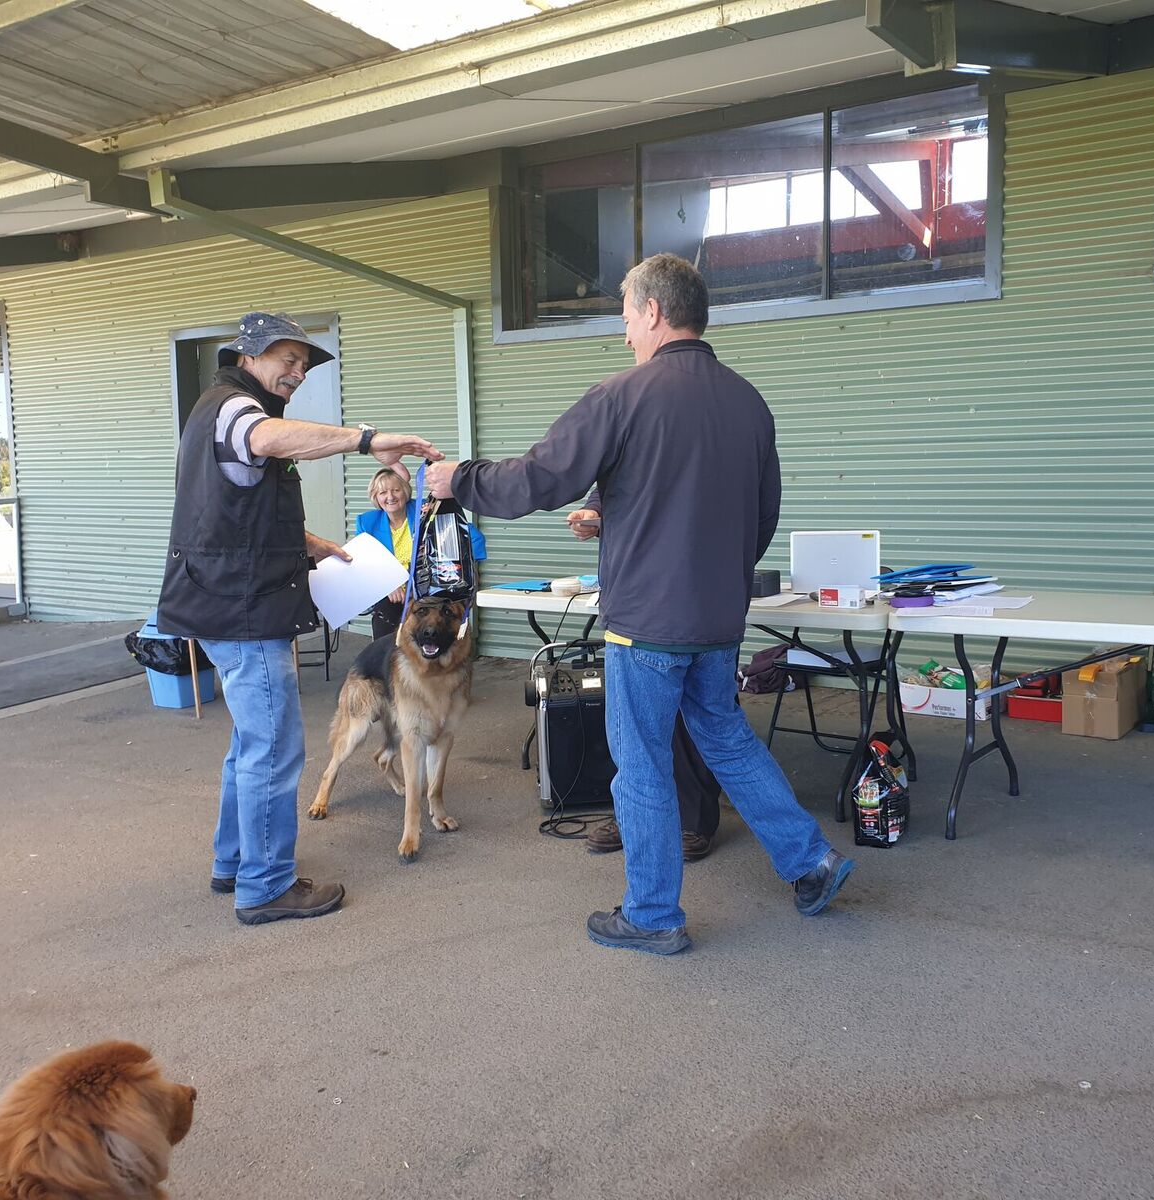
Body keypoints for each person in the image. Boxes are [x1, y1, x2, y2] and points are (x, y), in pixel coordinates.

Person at [425, 254, 853, 956]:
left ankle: (652, 915)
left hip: (646, 625)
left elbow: (541, 477)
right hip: (717, 619)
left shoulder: (622, 394)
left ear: (654, 310)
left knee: (643, 762)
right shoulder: (748, 402)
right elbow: (760, 516)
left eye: (626, 317)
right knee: (727, 739)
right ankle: (812, 862)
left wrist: (459, 479)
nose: (624, 333)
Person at [157, 311, 441, 926]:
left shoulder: (221, 408)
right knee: (274, 747)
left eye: (305, 365)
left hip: (223, 599)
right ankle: (264, 886)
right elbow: (265, 440)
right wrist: (366, 440)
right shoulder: (236, 408)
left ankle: (234, 861)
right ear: (248, 355)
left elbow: (234, 508)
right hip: (243, 610)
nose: (298, 372)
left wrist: (311, 544)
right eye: (288, 359)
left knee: (250, 742)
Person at [567, 489, 720, 862]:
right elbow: (613, 485)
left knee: (695, 719)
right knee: (634, 727)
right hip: (636, 598)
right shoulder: (630, 452)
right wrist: (593, 513)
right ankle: (634, 818)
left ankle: (693, 820)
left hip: (695, 591)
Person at [356, 468, 487, 641]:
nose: (390, 497)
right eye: (383, 492)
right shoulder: (367, 522)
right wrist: (387, 583)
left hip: (429, 592)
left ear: (405, 492)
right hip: (393, 594)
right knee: (385, 622)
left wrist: (436, 522)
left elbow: (474, 538)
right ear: (375, 497)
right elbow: (362, 562)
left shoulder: (426, 509)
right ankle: (386, 652)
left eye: (396, 490)